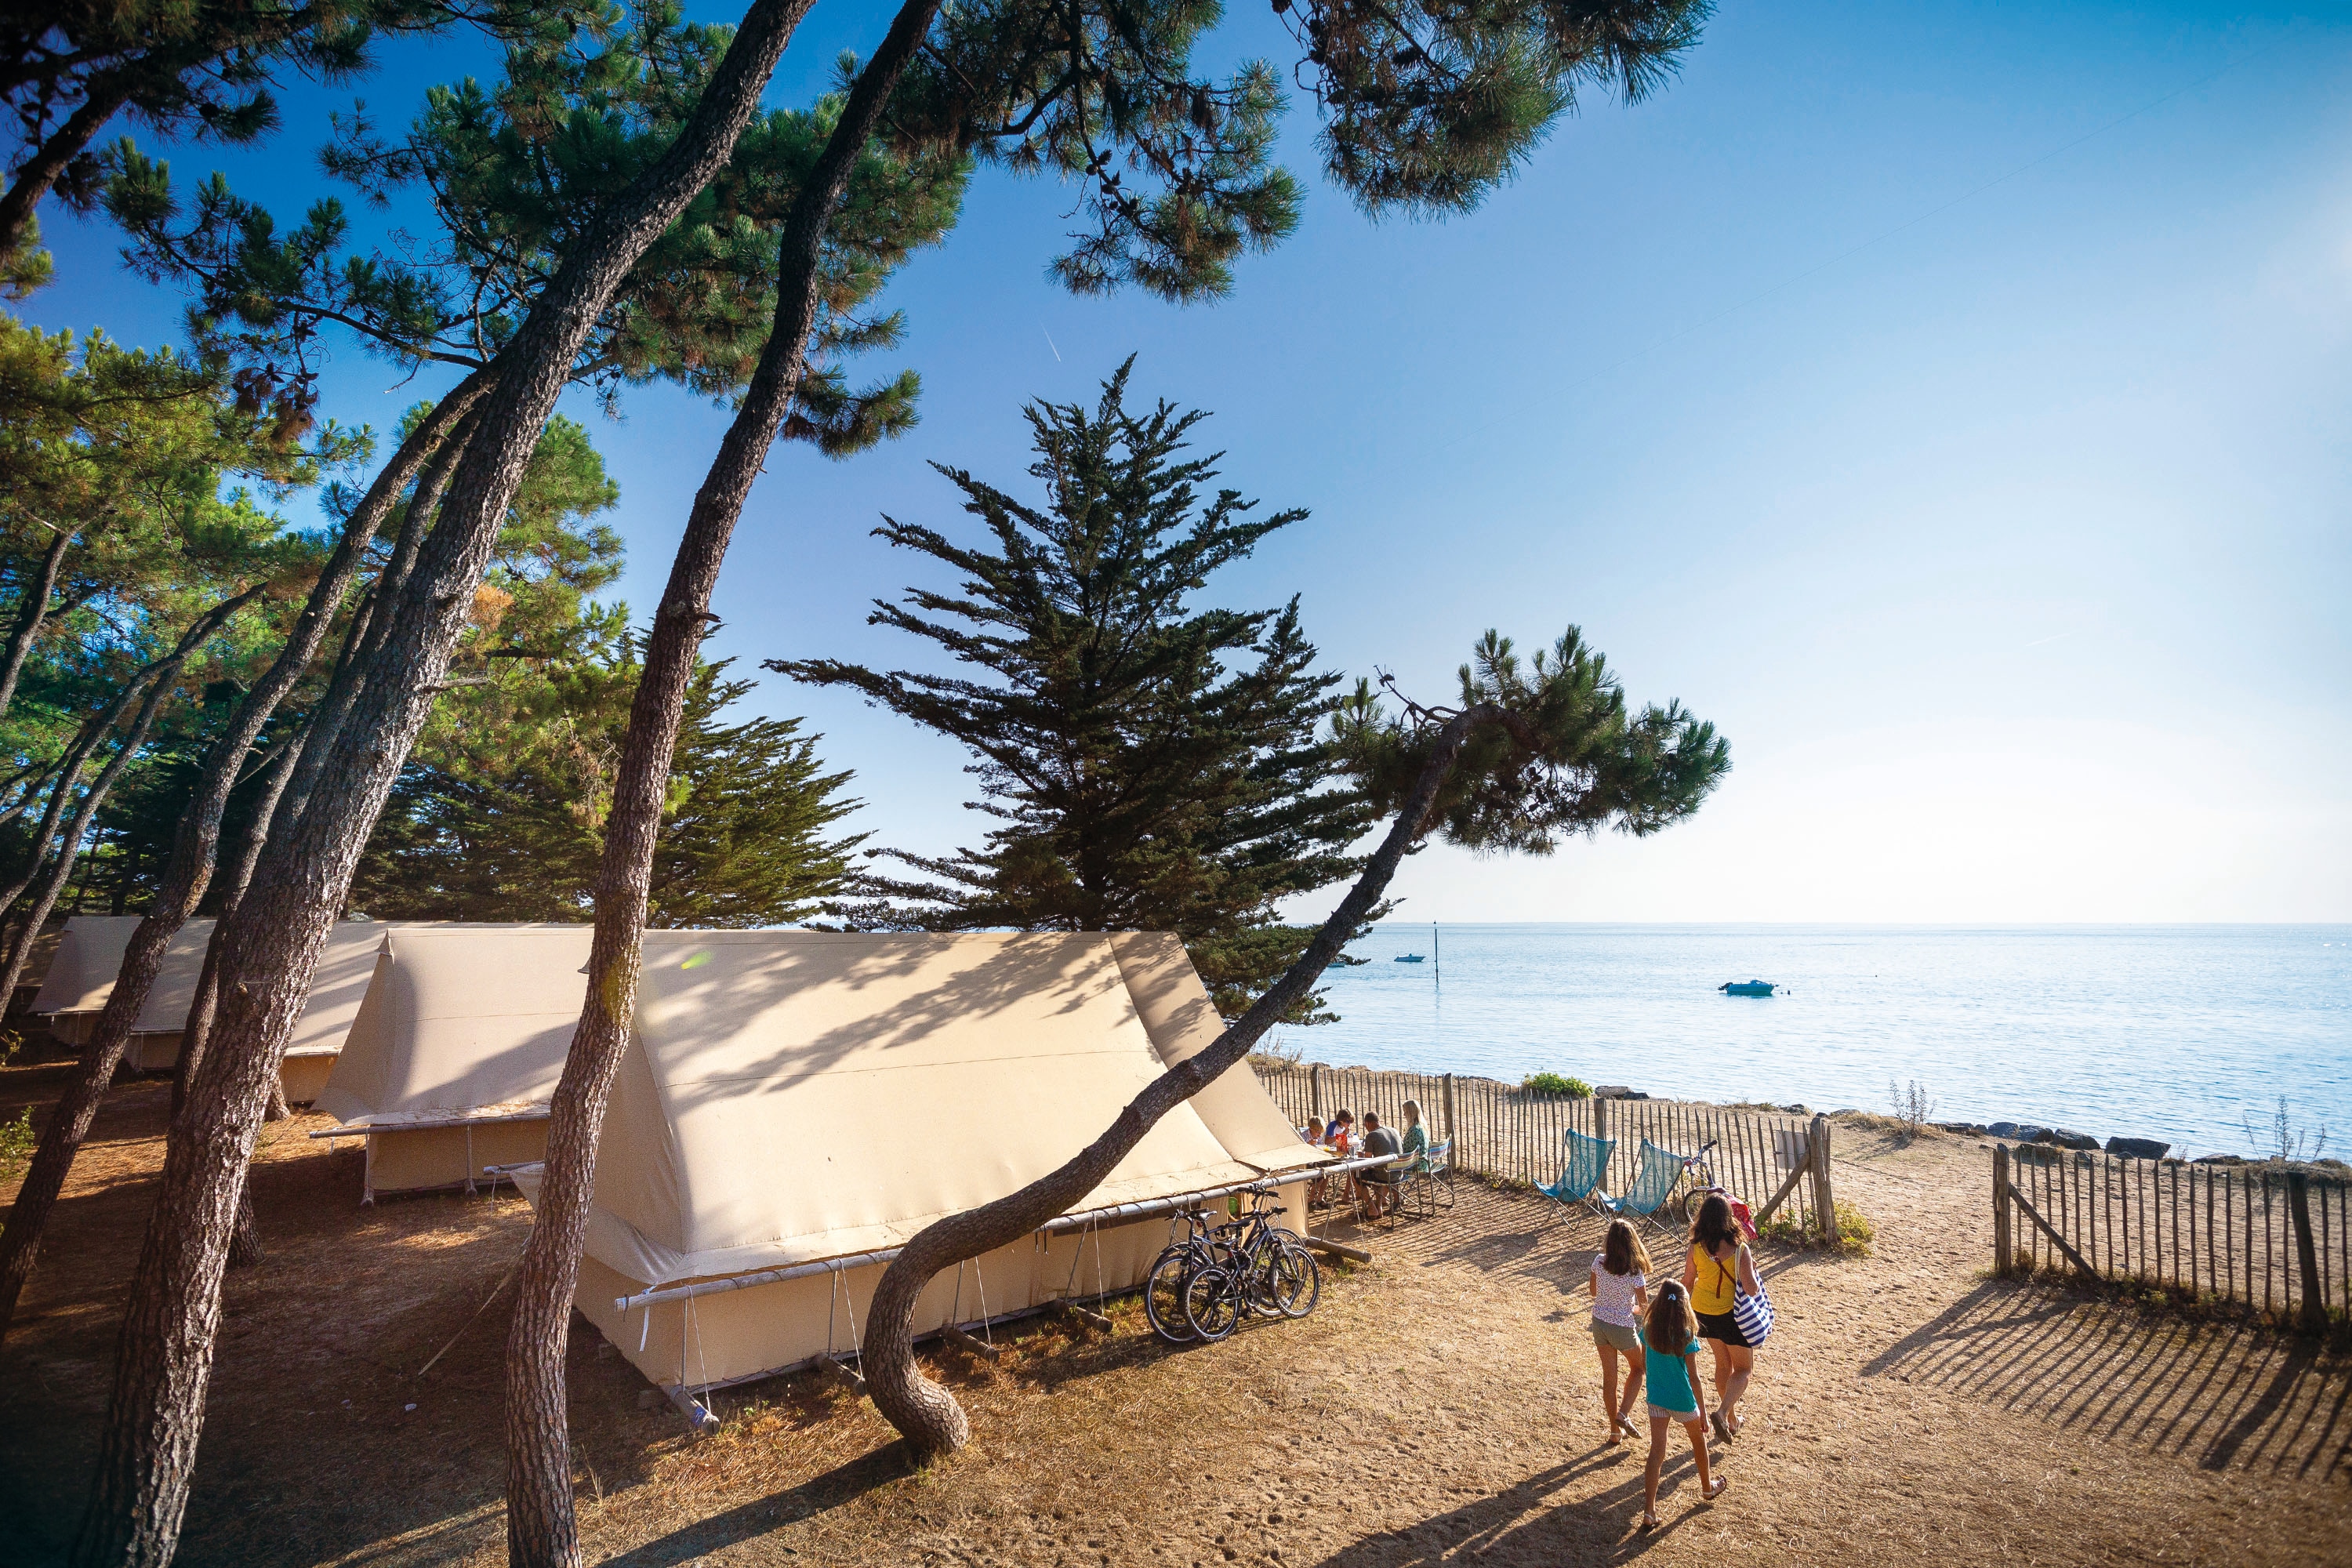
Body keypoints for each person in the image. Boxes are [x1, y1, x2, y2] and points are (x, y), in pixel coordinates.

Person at [1639, 1279, 1723, 1528]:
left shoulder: (1649, 1329)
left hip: (1656, 1398)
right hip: (1683, 1400)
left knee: (1657, 1452)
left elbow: (1644, 1365)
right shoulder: (1686, 1334)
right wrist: (1704, 1415)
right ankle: (1708, 1488)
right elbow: (1694, 1378)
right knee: (1699, 1443)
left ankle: (1649, 1511)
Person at [1681, 1191, 1760, 1443]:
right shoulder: (1740, 1250)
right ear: (1729, 1219)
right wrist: (1752, 1272)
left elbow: (1688, 1281)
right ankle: (1724, 1412)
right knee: (1744, 1369)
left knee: (1723, 1365)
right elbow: (1750, 1289)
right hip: (1731, 1315)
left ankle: (1733, 1420)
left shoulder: (1696, 1247)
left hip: (1702, 1312)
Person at [1588, 1219, 1651, 1443]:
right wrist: (1630, 1308)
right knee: (1639, 1367)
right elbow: (1643, 1307)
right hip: (1622, 1327)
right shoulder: (1634, 1271)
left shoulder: (1599, 1262)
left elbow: (1594, 1293)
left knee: (1610, 1379)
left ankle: (1615, 1432)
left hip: (1599, 1324)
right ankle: (1623, 1414)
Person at [1357, 1111, 1403, 1217]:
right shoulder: (1394, 1130)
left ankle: (1372, 1208)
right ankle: (1379, 1207)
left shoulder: (1371, 1135)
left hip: (1384, 1175)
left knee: (1357, 1176)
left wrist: (1361, 1155)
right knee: (1380, 1169)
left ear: (1367, 1124)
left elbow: (1368, 1161)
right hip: (1399, 1172)